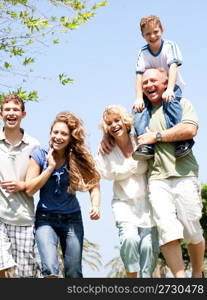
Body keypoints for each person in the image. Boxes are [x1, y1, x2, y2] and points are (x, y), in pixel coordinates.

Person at [99, 68, 205, 278]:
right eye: (144, 82)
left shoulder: (181, 105)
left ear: (166, 82)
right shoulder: (141, 115)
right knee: (167, 232)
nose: (148, 85)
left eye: (153, 81)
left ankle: (197, 274)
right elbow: (120, 129)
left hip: (184, 174)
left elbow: (190, 130)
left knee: (192, 230)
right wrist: (106, 136)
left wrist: (156, 136)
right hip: (156, 179)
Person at [25, 111, 101, 278]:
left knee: (73, 273)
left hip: (72, 219)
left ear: (70, 138)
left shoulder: (76, 158)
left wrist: (95, 205)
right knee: (50, 270)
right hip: (45, 219)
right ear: (50, 133)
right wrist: (50, 168)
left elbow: (94, 184)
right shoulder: (39, 155)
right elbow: (30, 189)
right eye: (55, 132)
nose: (58, 137)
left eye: (64, 134)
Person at [96, 105, 159, 278]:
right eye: (109, 123)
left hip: (148, 203)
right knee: (130, 240)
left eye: (117, 120)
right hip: (124, 203)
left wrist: (125, 169)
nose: (114, 125)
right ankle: (132, 276)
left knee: (147, 246)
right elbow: (106, 173)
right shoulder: (106, 149)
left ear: (125, 122)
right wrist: (133, 165)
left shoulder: (138, 138)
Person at [132, 15, 194, 160]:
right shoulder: (143, 52)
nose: (152, 36)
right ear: (143, 36)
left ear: (162, 30)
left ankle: (181, 140)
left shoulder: (169, 46)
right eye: (148, 34)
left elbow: (173, 67)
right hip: (153, 86)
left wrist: (170, 89)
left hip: (170, 84)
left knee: (170, 102)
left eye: (155, 32)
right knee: (139, 109)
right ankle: (145, 143)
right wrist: (139, 98)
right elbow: (139, 75)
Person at [0, 94, 40, 278]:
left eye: (15, 110)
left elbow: (35, 185)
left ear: (23, 114)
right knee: (2, 267)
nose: (11, 113)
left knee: (24, 276)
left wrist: (21, 185)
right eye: (7, 109)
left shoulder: (34, 145)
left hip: (23, 218)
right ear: (1, 114)